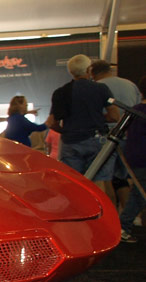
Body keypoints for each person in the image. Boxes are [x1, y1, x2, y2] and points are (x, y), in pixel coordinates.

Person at [46, 54, 118, 199]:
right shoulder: (100, 89)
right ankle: (106, 219)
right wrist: (97, 118)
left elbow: (51, 122)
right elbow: (114, 116)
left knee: (73, 185)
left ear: (71, 72)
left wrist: (66, 130)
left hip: (70, 141)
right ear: (89, 69)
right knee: (100, 183)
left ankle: (78, 218)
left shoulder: (61, 92)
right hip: (96, 139)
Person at [90, 59, 143, 214]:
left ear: (93, 73)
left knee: (105, 179)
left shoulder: (97, 88)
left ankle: (110, 216)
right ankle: (129, 215)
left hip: (105, 138)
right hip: (129, 137)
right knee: (125, 178)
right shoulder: (130, 85)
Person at [116, 76, 146, 243]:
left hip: (134, 158)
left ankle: (124, 226)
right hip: (142, 159)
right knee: (139, 194)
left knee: (138, 193)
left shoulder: (135, 110)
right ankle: (123, 226)